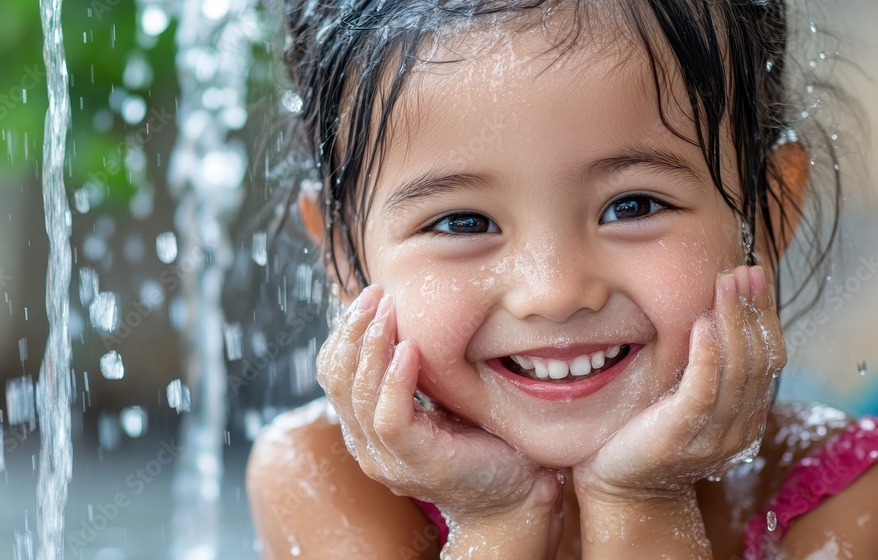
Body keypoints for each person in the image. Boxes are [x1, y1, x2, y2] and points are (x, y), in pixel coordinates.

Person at [247, 0, 878, 557]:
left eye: (632, 206)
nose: (554, 291)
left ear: (765, 218)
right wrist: (494, 521)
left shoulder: (848, 501)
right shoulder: (322, 478)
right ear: (341, 254)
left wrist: (644, 503)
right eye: (463, 222)